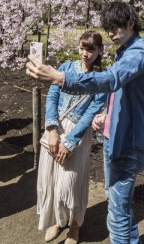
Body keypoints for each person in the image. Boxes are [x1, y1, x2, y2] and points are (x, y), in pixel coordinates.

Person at [27, 2, 144, 244]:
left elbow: (112, 79)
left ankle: (80, 228)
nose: (111, 33)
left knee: (117, 215)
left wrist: (60, 78)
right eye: (107, 28)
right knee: (116, 202)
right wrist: (105, 114)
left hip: (127, 142)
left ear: (131, 23)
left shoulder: (139, 53)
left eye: (115, 27)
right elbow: (120, 93)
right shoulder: (124, 51)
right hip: (114, 136)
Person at [38, 31, 107, 244]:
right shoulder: (66, 68)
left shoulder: (101, 78)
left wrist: (69, 143)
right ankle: (57, 220)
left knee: (71, 183)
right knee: (50, 180)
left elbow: (90, 114)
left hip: (78, 134)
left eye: (90, 49)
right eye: (82, 48)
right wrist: (51, 131)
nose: (85, 54)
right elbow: (52, 97)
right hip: (55, 127)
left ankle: (75, 226)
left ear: (100, 51)